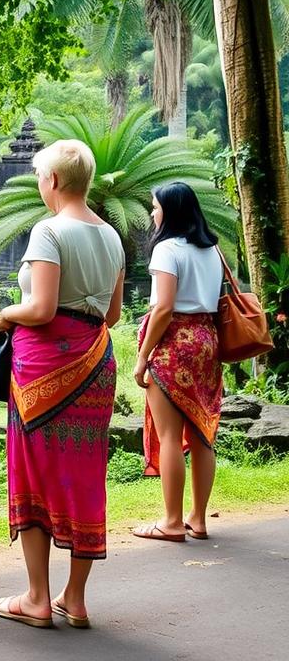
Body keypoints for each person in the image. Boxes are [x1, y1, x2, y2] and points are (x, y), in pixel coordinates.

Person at [0, 139, 124, 629]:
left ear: (52, 182)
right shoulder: (111, 236)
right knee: (85, 472)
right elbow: (112, 313)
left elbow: (41, 310)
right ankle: (76, 598)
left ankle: (36, 598)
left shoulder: (49, 231)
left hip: (43, 362)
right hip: (94, 362)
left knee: (34, 471)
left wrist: (5, 313)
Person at [133, 182, 224, 543]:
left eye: (155, 207)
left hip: (176, 344)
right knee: (203, 433)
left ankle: (171, 522)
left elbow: (164, 308)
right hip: (207, 342)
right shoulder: (212, 249)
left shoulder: (167, 250)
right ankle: (197, 519)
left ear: (169, 212)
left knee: (169, 436)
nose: (153, 213)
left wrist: (142, 357)